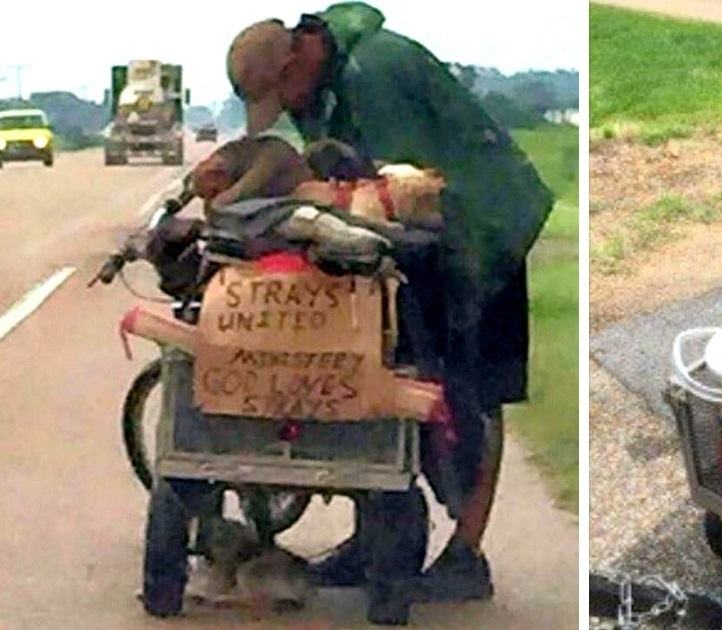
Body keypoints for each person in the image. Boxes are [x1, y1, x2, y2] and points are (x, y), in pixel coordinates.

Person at [225, 3, 553, 605]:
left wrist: (322, 202)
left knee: (473, 388)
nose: (288, 111)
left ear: (300, 57)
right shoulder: (324, 86)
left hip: (487, 229)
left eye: (282, 95)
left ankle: (466, 555)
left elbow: (397, 186)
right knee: (381, 364)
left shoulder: (377, 71)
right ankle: (372, 540)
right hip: (434, 233)